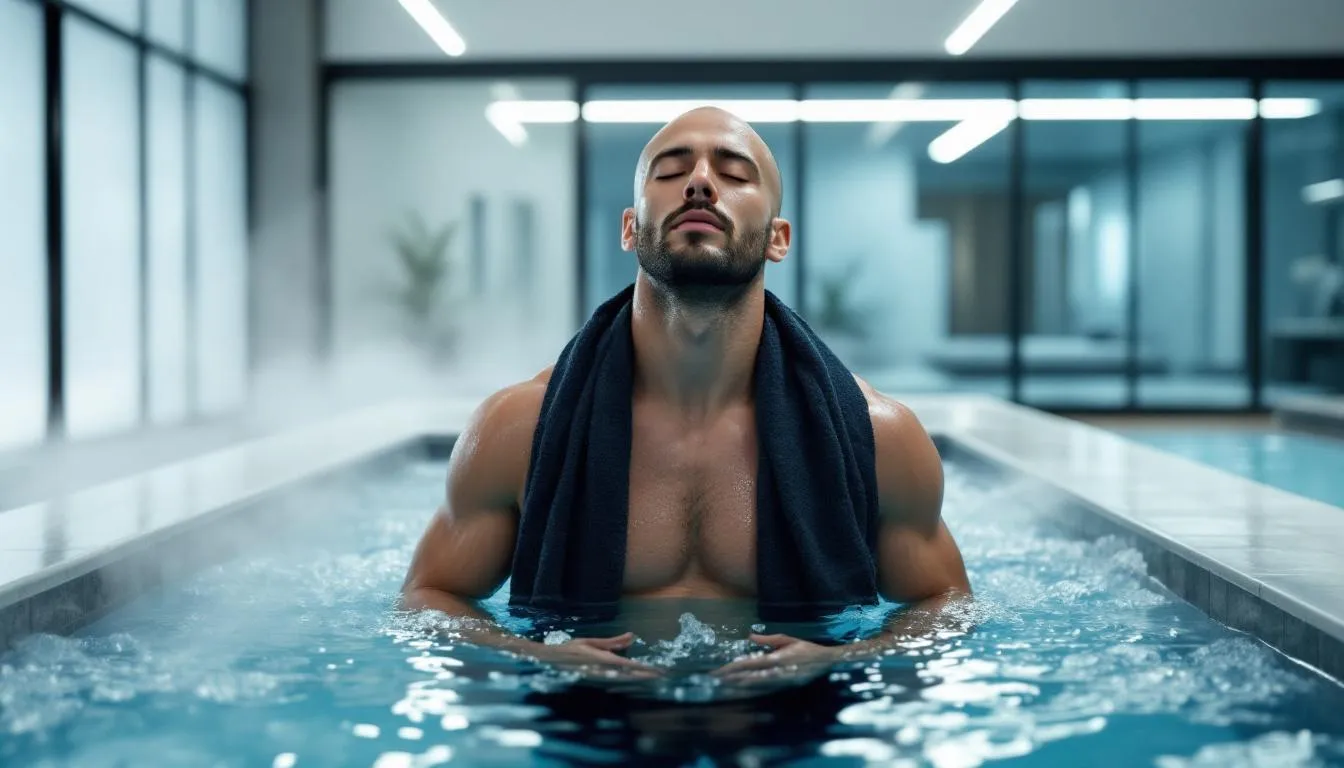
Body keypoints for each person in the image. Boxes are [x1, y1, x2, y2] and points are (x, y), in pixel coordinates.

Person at [401, 106, 971, 684]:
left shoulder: (877, 437)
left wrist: (845, 659)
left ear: (778, 238)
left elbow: (947, 604)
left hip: (793, 734)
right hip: (590, 733)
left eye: (734, 173)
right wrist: (534, 657)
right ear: (630, 228)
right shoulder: (517, 428)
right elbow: (427, 597)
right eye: (671, 172)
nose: (700, 181)